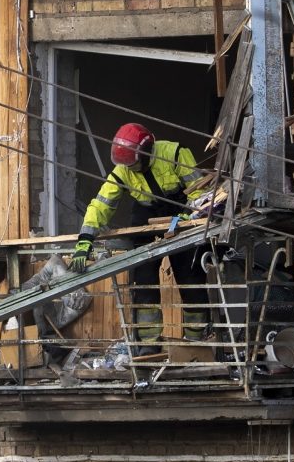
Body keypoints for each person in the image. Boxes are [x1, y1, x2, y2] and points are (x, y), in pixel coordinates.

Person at [69, 122, 209, 354]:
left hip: (182, 216)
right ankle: (149, 348)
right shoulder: (123, 169)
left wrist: (188, 214)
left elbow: (199, 190)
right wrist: (85, 239)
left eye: (133, 164)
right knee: (144, 285)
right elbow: (101, 204)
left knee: (191, 281)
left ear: (145, 153)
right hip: (146, 219)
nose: (130, 169)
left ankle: (197, 344)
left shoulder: (174, 153)